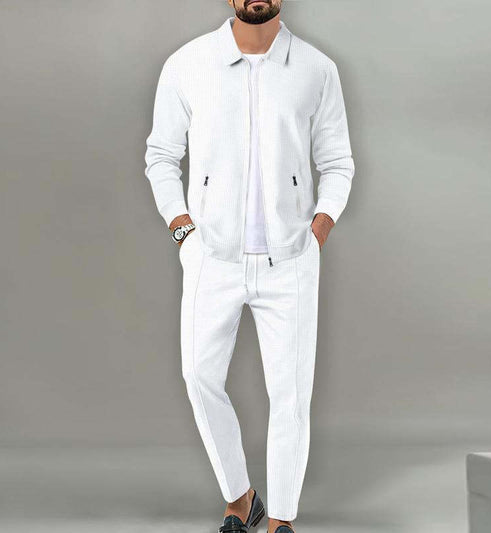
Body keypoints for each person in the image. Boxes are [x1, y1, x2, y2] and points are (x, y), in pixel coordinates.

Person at [144, 1, 354, 531]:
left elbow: (337, 161)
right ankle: (241, 497)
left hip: (291, 258)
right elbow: (162, 155)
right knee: (199, 376)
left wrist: (320, 227)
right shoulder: (188, 64)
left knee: (291, 396)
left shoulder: (316, 69)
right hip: (212, 257)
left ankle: (281, 518)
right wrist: (183, 229)